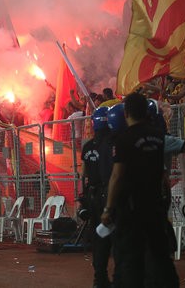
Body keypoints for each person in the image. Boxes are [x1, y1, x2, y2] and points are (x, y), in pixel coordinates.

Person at [100, 93, 179, 287]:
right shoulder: (158, 137)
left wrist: (108, 209)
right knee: (160, 256)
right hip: (155, 205)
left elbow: (117, 176)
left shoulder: (124, 139)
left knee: (129, 260)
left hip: (131, 208)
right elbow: (162, 173)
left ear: (126, 113)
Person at [81, 106, 113, 288]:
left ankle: (99, 278)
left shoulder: (88, 146)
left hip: (93, 196)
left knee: (99, 237)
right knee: (117, 235)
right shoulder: (112, 143)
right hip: (108, 194)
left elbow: (84, 174)